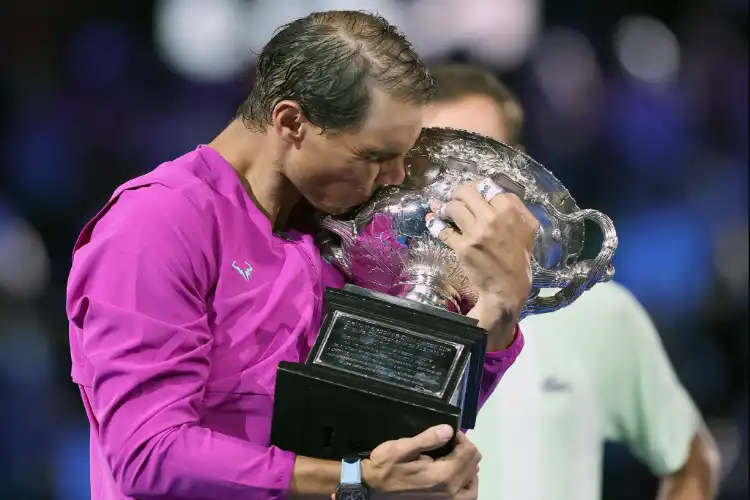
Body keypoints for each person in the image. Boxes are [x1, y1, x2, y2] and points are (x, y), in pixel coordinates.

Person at [66, 12, 539, 500]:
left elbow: (407, 413)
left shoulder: (342, 230)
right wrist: (356, 480)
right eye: (374, 156)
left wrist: (501, 308)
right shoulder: (156, 223)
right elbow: (149, 454)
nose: (397, 177)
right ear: (291, 121)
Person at [425, 63, 722, 500]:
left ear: (523, 172)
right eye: (438, 163)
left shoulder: (596, 312)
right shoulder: (365, 306)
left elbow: (692, 458)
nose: (462, 190)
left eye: (483, 163)